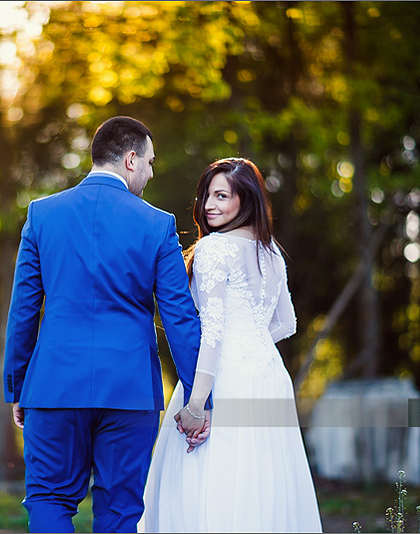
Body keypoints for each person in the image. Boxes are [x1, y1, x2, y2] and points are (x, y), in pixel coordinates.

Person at [3, 116, 209, 533]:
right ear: (131, 160)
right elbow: (181, 319)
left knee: (48, 498)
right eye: (150, 162)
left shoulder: (42, 215)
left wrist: (18, 385)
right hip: (129, 391)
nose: (151, 173)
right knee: (119, 511)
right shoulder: (157, 224)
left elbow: (23, 310)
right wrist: (198, 400)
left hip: (53, 386)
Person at [139, 158, 323, 533]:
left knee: (206, 481)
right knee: (264, 485)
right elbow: (286, 323)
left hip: (222, 380)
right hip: (268, 377)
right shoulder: (272, 253)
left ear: (247, 199)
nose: (209, 204)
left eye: (222, 195)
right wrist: (251, 343)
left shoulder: (214, 249)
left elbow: (213, 334)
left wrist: (195, 405)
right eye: (207, 194)